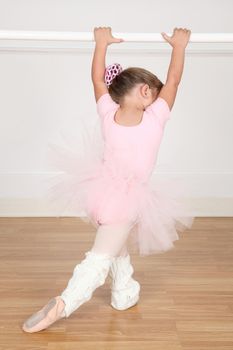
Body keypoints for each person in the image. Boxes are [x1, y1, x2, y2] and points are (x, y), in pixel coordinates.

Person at [22, 26, 194, 333]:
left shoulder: (107, 112)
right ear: (146, 92)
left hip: (99, 192)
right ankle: (65, 302)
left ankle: (124, 291)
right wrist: (179, 47)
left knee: (115, 243)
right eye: (155, 95)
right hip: (128, 200)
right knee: (99, 258)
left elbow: (97, 80)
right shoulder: (155, 117)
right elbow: (175, 80)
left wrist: (100, 43)